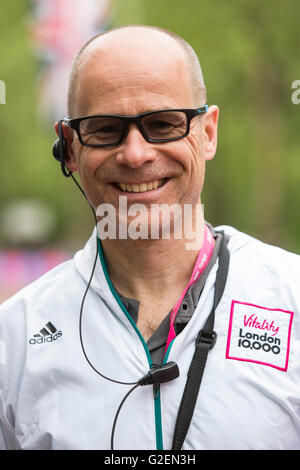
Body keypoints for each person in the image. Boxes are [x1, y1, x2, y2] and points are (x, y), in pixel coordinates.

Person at [0, 25, 299, 451]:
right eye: (105, 129)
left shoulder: (293, 298)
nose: (136, 154)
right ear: (68, 148)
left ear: (208, 133)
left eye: (163, 124)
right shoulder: (12, 340)